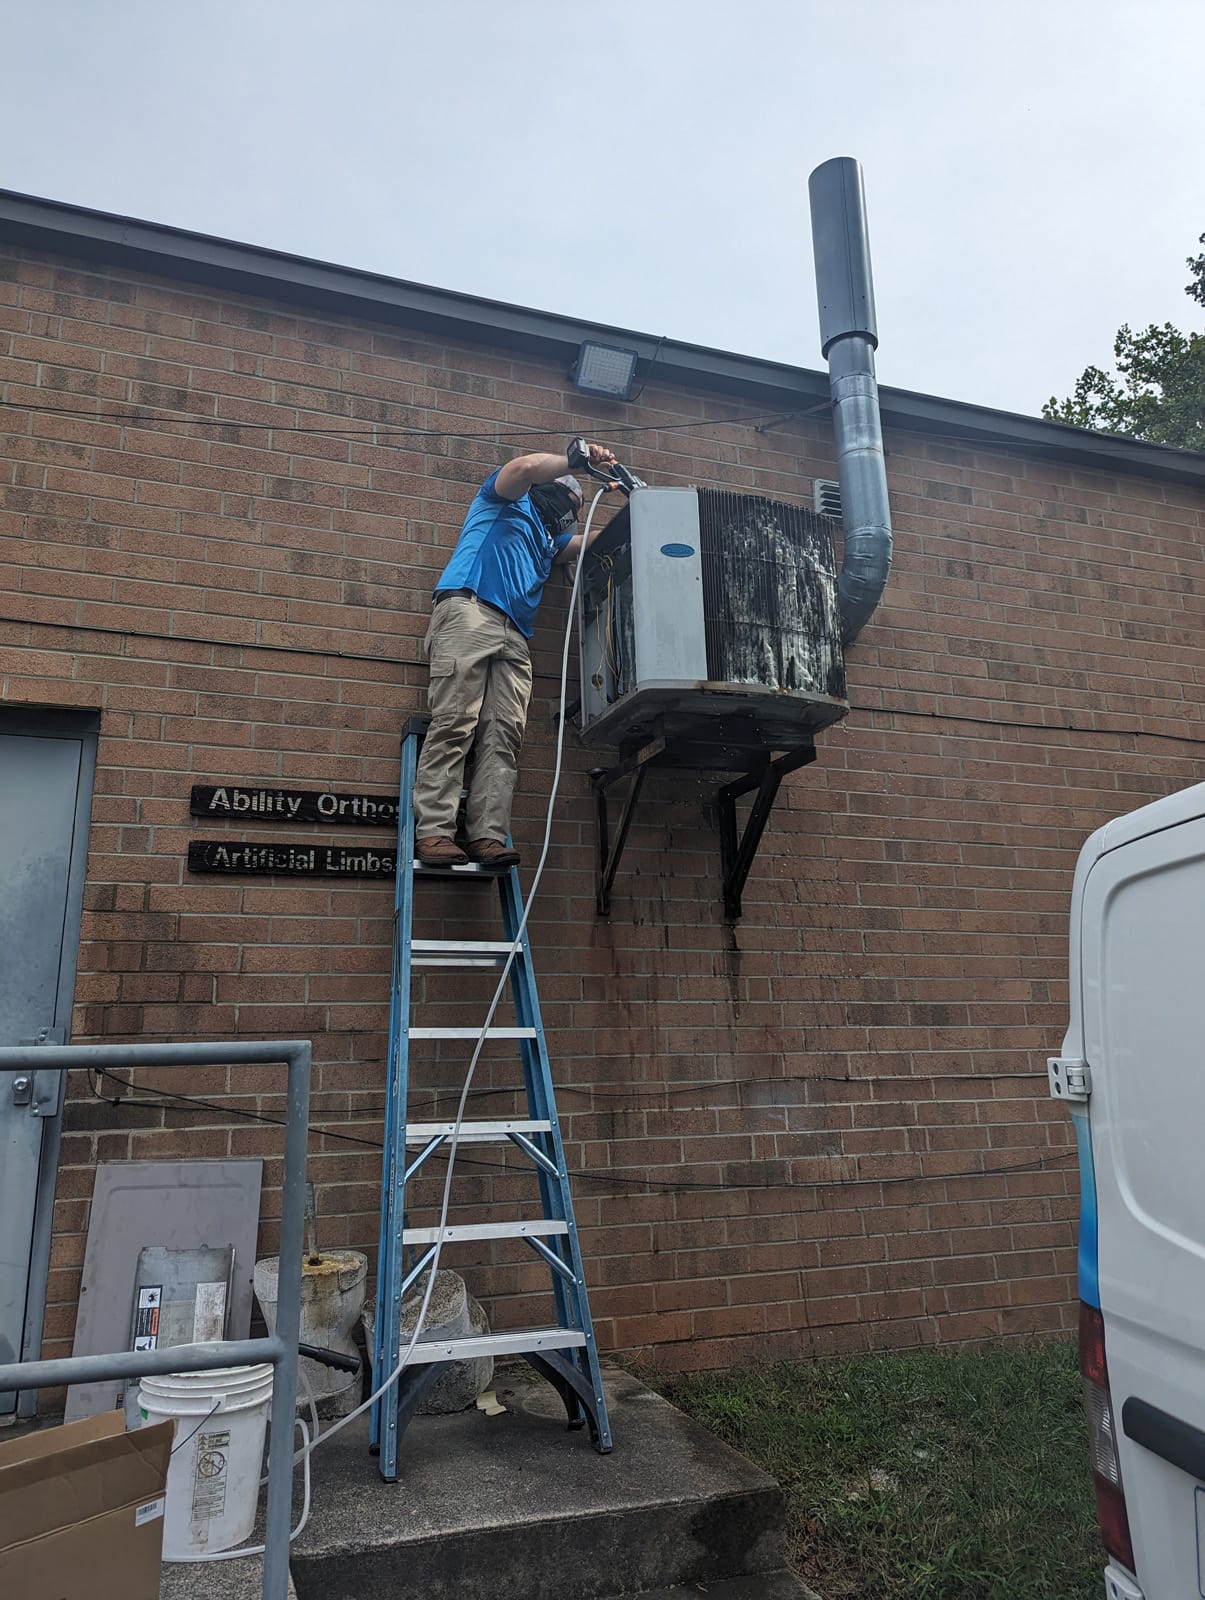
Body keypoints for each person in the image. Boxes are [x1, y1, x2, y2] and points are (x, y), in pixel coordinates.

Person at [412, 439, 618, 868]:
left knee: (503, 735)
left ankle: (486, 835)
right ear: (551, 487)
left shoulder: (549, 542)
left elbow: (590, 540)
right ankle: (434, 832)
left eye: (576, 508)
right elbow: (524, 467)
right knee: (456, 722)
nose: (570, 511)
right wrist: (579, 462)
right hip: (470, 608)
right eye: (568, 499)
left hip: (515, 636)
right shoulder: (504, 500)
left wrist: (635, 510)